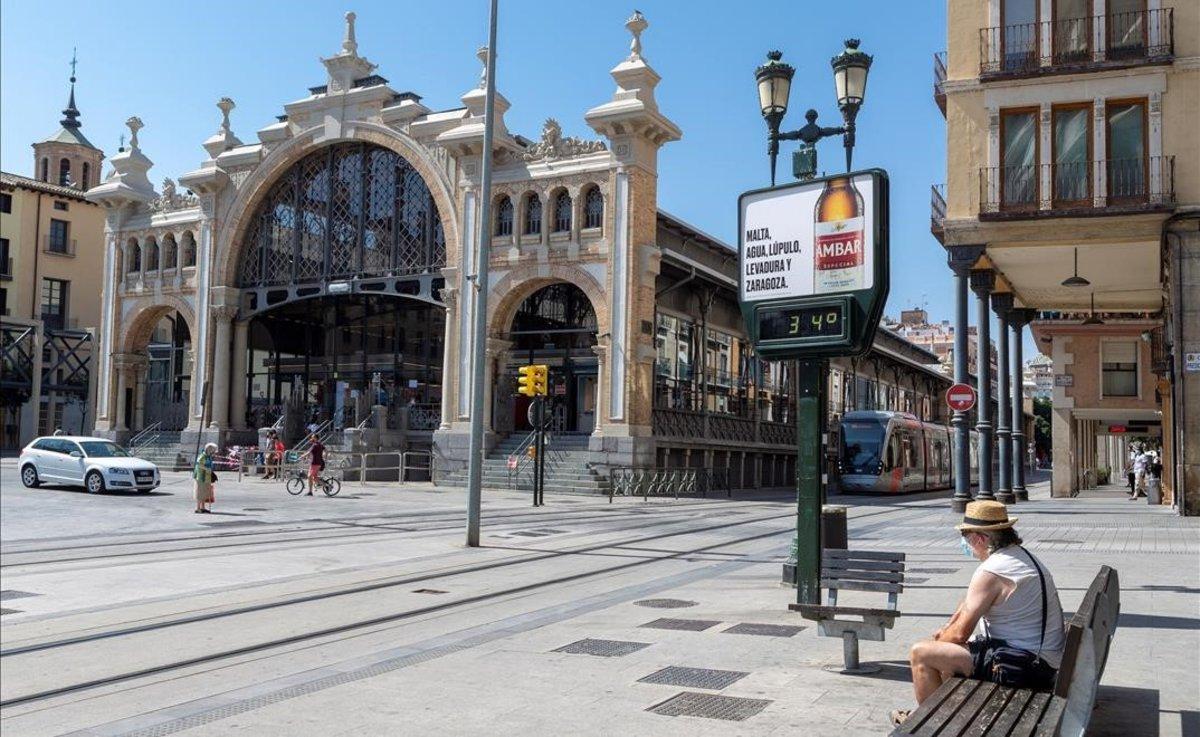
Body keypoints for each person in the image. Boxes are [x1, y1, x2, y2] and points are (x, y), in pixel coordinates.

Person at [893, 501, 1064, 727]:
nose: (965, 544)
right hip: (1039, 658)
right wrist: (945, 633)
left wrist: (939, 641)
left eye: (966, 537)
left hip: (1023, 666)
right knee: (943, 651)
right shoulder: (1019, 557)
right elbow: (967, 605)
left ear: (980, 539)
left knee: (921, 654)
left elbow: (959, 635)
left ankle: (930, 726)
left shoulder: (992, 570)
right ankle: (942, 717)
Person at [193, 442, 218, 514]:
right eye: (213, 450)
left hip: (207, 477)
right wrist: (207, 469)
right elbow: (199, 465)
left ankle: (203, 507)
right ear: (209, 449)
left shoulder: (208, 456)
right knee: (200, 492)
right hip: (201, 476)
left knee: (205, 492)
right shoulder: (202, 456)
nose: (214, 452)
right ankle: (197, 508)